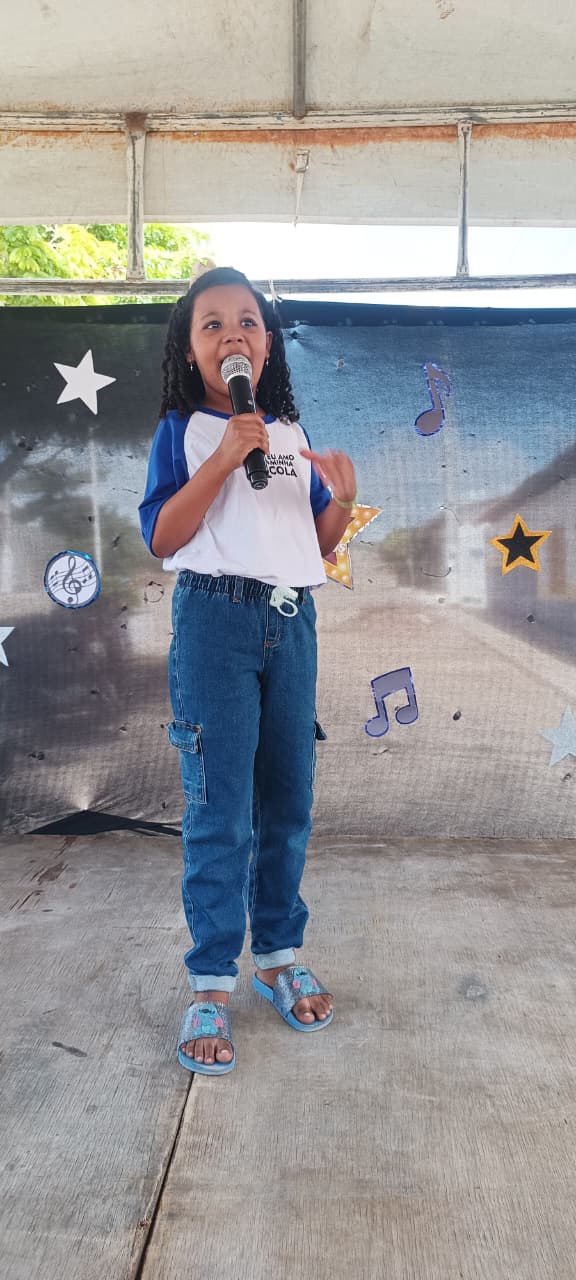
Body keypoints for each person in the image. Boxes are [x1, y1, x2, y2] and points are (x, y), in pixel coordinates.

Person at [138, 267, 357, 1075]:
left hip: (292, 624)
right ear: (190, 351)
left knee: (288, 800)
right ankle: (210, 981)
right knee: (220, 808)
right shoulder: (184, 430)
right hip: (215, 623)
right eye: (213, 324)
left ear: (267, 345)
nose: (233, 332)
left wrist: (343, 502)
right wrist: (223, 459)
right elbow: (163, 536)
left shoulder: (290, 435)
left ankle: (277, 955)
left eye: (248, 321)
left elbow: (319, 543)